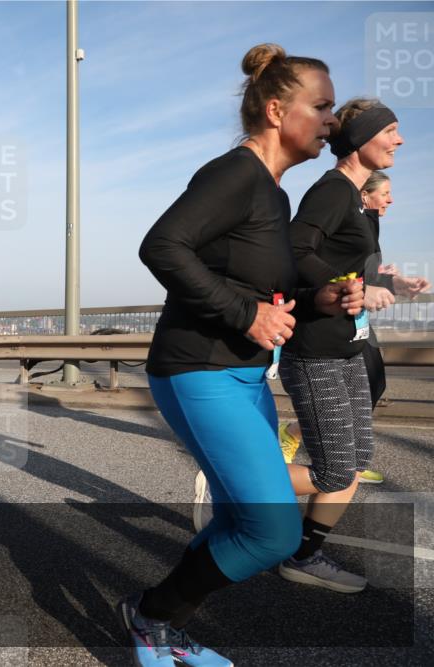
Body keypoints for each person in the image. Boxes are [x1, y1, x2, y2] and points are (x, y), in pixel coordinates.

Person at [127, 44, 363, 667]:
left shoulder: (275, 194)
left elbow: (264, 292)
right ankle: (150, 617)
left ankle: (168, 629)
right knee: (273, 532)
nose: (331, 121)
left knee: (241, 521)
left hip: (243, 375)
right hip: (197, 369)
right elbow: (161, 246)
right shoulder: (233, 174)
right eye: (323, 107)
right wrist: (245, 315)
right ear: (278, 109)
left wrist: (320, 300)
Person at [276, 98, 407, 593]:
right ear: (363, 138)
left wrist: (384, 287)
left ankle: (304, 555)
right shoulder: (333, 191)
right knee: (334, 473)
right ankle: (237, 483)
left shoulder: (355, 198)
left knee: (353, 463)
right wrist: (343, 283)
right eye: (391, 130)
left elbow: (354, 277)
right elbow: (293, 251)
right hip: (316, 353)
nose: (399, 140)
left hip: (347, 349)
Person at [278, 170, 431, 482]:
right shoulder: (337, 198)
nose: (391, 199)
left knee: (375, 388)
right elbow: (310, 260)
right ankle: (241, 480)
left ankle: (342, 464)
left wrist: (394, 282)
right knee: (336, 471)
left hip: (355, 323)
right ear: (365, 194)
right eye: (384, 193)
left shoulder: (368, 221)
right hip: (326, 330)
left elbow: (362, 271)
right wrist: (365, 284)